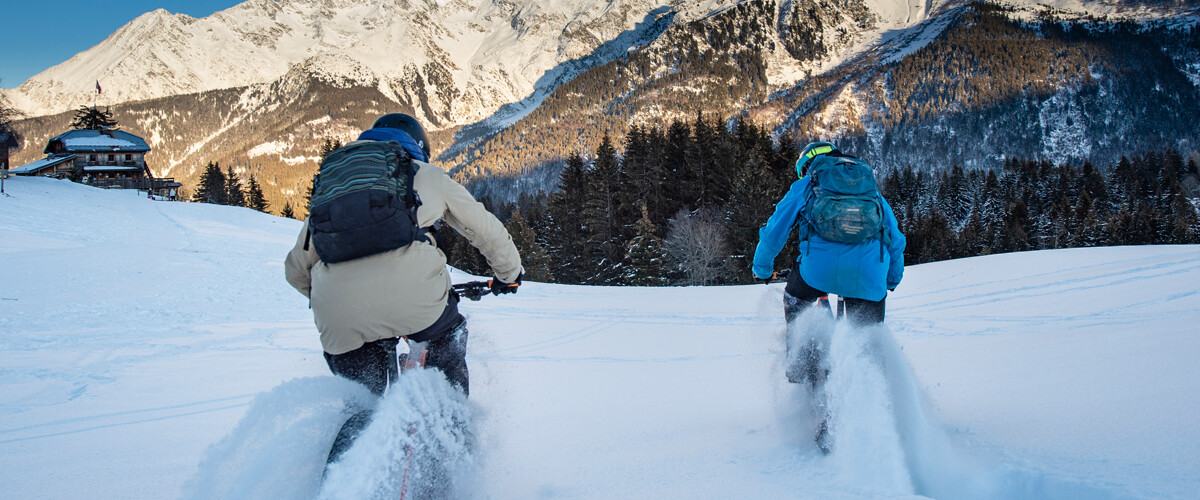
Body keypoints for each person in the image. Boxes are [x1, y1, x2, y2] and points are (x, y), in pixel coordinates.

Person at [285, 113, 522, 398]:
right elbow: (484, 229)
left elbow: (296, 270)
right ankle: (451, 417)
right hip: (419, 303)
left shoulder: (335, 189)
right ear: (419, 147)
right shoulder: (426, 174)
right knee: (447, 341)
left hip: (339, 318)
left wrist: (341, 299)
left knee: (362, 401)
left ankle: (357, 427)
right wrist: (508, 276)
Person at [752, 141, 906, 328]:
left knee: (796, 297)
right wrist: (890, 279)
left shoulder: (806, 184)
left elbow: (773, 233)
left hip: (817, 271)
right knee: (868, 343)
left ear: (807, 167)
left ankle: (803, 352)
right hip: (870, 275)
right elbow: (896, 240)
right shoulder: (871, 192)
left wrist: (762, 270)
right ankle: (870, 355)